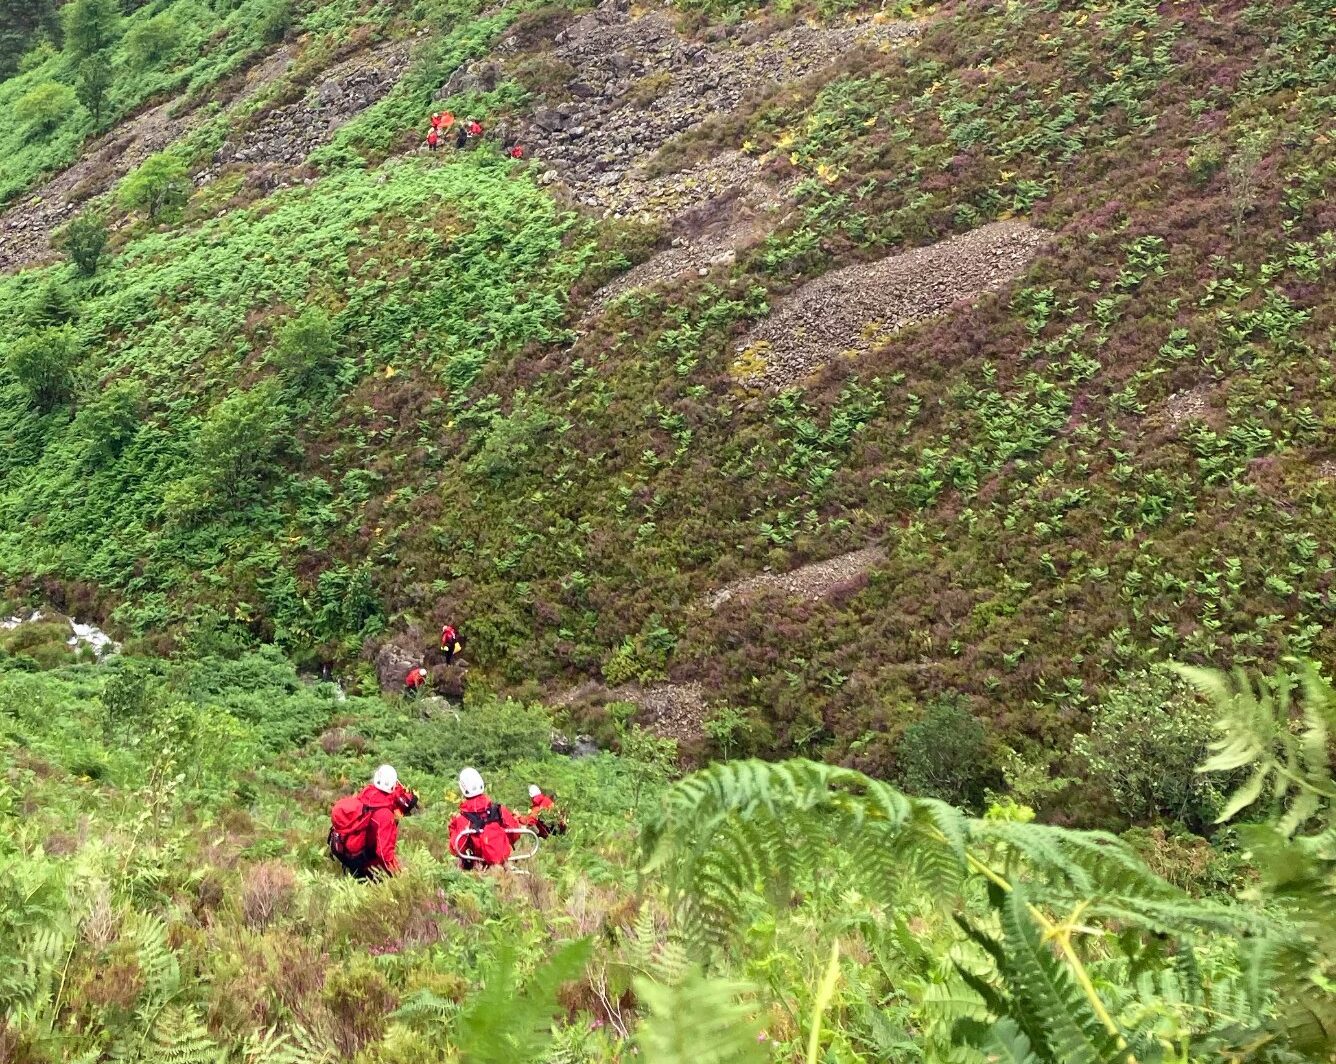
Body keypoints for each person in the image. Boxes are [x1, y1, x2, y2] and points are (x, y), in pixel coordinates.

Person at [328, 764, 418, 879]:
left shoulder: (368, 793)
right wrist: (399, 875)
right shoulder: (385, 816)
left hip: (349, 849)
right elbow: (384, 854)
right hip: (365, 860)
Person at [448, 767, 521, 870]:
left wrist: (452, 828)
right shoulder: (499, 810)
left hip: (480, 864)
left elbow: (456, 848)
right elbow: (515, 833)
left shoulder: (463, 819)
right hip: (504, 862)